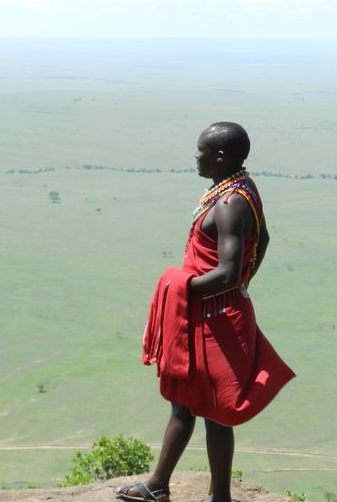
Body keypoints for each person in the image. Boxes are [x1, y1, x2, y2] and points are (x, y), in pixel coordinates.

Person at [118, 122, 295, 502]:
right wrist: (243, 285)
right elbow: (263, 240)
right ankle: (214, 497)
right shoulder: (242, 188)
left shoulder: (230, 203)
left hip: (213, 318)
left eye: (201, 151)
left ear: (220, 158)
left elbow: (228, 272)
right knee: (208, 407)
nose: (195, 156)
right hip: (218, 312)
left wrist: (180, 288)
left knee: (190, 402)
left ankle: (159, 486)